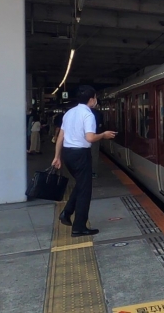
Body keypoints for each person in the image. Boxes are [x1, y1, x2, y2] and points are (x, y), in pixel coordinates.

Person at [52, 86, 116, 237]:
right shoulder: (88, 115)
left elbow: (61, 136)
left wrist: (57, 156)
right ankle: (79, 227)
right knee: (85, 191)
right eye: (95, 97)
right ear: (91, 99)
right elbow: (90, 138)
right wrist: (104, 135)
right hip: (81, 154)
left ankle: (66, 213)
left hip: (68, 154)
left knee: (81, 184)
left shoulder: (69, 113)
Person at [90, 105, 103, 178]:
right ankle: (94, 172)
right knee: (94, 155)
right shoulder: (99, 114)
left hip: (84, 138)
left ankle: (85, 172)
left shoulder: (84, 113)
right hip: (95, 137)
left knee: (84, 155)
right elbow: (101, 125)